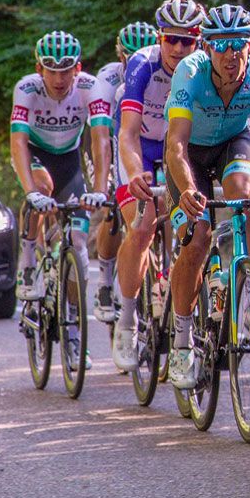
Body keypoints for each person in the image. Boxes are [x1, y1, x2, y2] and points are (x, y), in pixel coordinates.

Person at [163, 4, 250, 389]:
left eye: (237, 45)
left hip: (232, 143)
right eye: (220, 45)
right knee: (197, 238)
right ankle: (180, 341)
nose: (229, 54)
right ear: (207, 47)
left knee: (247, 198)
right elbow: (175, 144)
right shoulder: (189, 72)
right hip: (190, 151)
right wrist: (189, 189)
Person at [110, 0, 206, 371]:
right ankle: (127, 319)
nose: (178, 49)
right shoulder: (142, 64)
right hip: (143, 148)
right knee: (144, 224)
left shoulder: (202, 68)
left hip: (179, 148)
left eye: (188, 41)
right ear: (159, 38)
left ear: (199, 42)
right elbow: (128, 133)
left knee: (196, 230)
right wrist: (134, 172)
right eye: (171, 40)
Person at [11, 31, 113, 369]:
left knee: (79, 247)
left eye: (65, 69)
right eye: (51, 70)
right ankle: (27, 261)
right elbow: (19, 142)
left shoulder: (90, 87)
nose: (58, 78)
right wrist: (29, 190)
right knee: (41, 188)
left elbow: (100, 141)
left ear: (77, 68)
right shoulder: (26, 89)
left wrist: (98, 188)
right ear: (39, 68)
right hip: (36, 156)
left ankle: (72, 325)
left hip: (70, 160)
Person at [92, 21, 158, 325]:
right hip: (110, 143)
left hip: (153, 144)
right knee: (112, 210)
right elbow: (102, 135)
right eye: (128, 57)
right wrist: (101, 182)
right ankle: (105, 280)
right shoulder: (108, 79)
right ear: (121, 58)